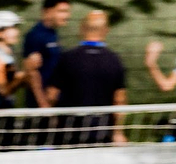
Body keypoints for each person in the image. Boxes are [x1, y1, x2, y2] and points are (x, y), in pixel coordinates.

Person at [46, 10, 128, 145]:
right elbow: (119, 100)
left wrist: (52, 120)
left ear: (82, 28)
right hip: (102, 133)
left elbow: (51, 95)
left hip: (69, 132)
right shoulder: (115, 60)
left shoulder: (67, 58)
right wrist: (118, 132)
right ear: (106, 30)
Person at [0, 10, 43, 109]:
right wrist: (24, 74)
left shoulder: (7, 54)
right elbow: (3, 91)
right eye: (13, 28)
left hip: (5, 108)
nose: (17, 31)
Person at [23, 0, 72, 109]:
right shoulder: (35, 36)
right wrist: (43, 105)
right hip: (41, 106)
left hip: (53, 102)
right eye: (62, 11)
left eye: (67, 12)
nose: (66, 16)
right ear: (48, 11)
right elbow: (32, 73)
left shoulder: (53, 34)